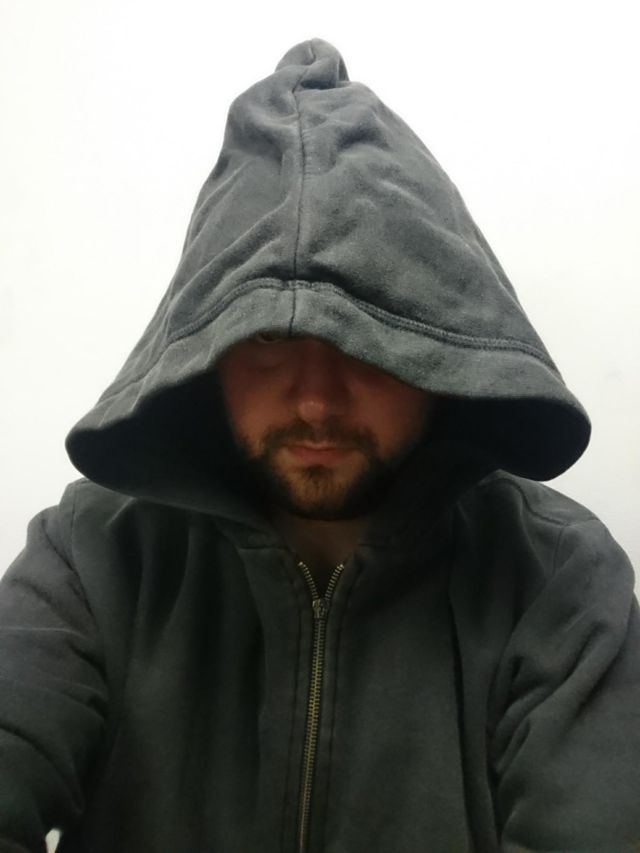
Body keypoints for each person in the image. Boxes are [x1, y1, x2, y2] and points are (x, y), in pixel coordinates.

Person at [1, 36, 639, 853]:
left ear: (436, 351)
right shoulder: (92, 558)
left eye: (364, 338)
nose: (314, 399)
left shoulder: (558, 582)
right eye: (268, 338)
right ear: (209, 351)